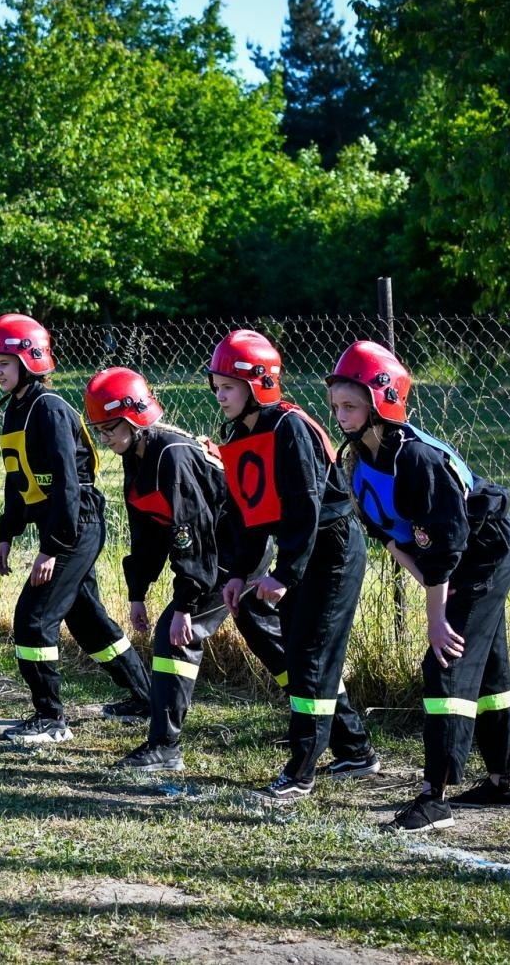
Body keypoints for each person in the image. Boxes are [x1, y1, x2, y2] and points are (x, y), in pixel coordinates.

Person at [326, 341, 510, 833]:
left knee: (445, 658)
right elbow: (395, 540)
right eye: (336, 406)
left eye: (351, 406)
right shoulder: (358, 461)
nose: (341, 416)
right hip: (450, 560)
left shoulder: (415, 458)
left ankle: (434, 797)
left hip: (487, 548)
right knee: (488, 663)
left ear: (382, 402)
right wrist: (437, 590)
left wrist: (437, 615)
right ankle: (505, 784)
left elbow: (446, 545)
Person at [207, 329, 379, 802]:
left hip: (331, 549)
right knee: (306, 652)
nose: (220, 395)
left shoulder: (289, 427)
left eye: (229, 387)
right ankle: (356, 750)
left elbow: (306, 506)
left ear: (259, 383)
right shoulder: (242, 431)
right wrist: (238, 571)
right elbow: (249, 510)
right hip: (301, 550)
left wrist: (285, 573)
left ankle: (302, 769)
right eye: (217, 385)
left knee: (311, 656)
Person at [0, 313, 150, 744]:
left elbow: (67, 483)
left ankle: (50, 718)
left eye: (5, 361)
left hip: (76, 525)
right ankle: (147, 699)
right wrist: (7, 534)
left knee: (33, 618)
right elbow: (16, 480)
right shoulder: (14, 411)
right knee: (89, 622)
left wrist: (52, 548)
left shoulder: (50, 409)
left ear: (31, 360)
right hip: (56, 526)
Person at [85, 367, 230, 771]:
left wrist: (185, 603)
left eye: (109, 427)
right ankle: (350, 742)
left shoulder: (172, 455)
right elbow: (147, 533)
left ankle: (165, 746)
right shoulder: (137, 455)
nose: (104, 438)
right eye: (99, 430)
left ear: (134, 418)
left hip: (233, 554)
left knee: (174, 636)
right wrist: (137, 593)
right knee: (273, 642)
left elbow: (193, 532)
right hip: (213, 553)